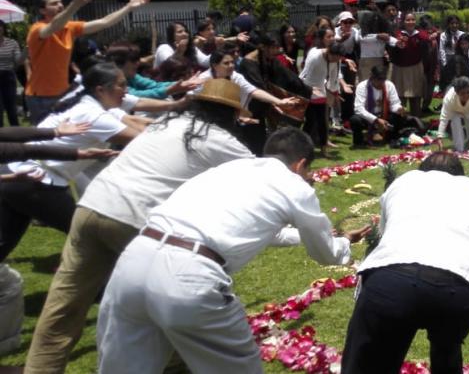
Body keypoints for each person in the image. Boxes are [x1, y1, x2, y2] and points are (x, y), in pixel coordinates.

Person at [24, 79, 254, 374]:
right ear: (233, 114)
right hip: (135, 221)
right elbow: (260, 176)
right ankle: (177, 365)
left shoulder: (165, 124)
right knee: (160, 302)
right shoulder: (220, 140)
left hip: (91, 207)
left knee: (63, 306)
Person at [95, 128, 369, 374]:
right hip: (188, 276)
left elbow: (260, 229)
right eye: (309, 171)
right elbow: (325, 254)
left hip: (134, 259)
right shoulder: (294, 184)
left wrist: (304, 237)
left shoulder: (228, 169)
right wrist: (344, 241)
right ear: (300, 165)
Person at [342, 152, 469, 374]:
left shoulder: (404, 181)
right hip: (459, 289)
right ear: (460, 175)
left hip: (391, 280)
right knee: (447, 347)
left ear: (422, 170)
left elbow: (384, 234)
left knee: (368, 364)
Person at [3, 63, 141, 261]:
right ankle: (85, 282)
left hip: (19, 176)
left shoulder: (82, 102)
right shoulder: (95, 115)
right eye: (122, 85)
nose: (126, 91)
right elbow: (142, 139)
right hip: (37, 182)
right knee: (88, 236)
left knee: (5, 240)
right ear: (101, 90)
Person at [26, 0, 150, 123]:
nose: (60, 5)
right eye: (54, 3)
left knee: (67, 134)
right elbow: (53, 27)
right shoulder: (37, 29)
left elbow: (104, 22)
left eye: (61, 2)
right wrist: (75, 6)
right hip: (41, 97)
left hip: (64, 92)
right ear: (42, 10)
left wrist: (128, 7)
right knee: (45, 138)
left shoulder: (69, 27)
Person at [239, 32, 312, 154]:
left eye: (277, 47)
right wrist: (275, 103)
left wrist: (306, 88)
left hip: (264, 103)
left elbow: (287, 75)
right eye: (273, 48)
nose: (276, 51)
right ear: (263, 47)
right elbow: (258, 87)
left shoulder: (269, 59)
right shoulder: (248, 63)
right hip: (249, 106)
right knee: (254, 141)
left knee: (262, 139)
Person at [196, 50, 295, 117]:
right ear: (214, 65)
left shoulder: (235, 77)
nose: (231, 66)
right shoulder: (203, 79)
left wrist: (279, 102)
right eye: (226, 63)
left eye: (232, 62)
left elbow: (253, 91)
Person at [351, 65, 414, 147]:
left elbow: (394, 103)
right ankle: (359, 142)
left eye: (383, 79)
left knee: (398, 116)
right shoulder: (362, 86)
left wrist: (399, 109)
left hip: (384, 114)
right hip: (368, 116)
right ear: (372, 77)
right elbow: (359, 108)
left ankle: (391, 138)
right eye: (378, 79)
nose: (381, 82)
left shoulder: (389, 85)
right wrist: (376, 120)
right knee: (355, 120)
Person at [299, 41, 343, 155]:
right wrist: (309, 91)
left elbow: (334, 78)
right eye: (334, 58)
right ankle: (302, 147)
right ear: (329, 52)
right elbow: (304, 76)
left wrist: (335, 94)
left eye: (338, 59)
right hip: (308, 90)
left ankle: (323, 148)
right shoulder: (315, 57)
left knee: (323, 122)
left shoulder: (335, 60)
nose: (335, 61)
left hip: (321, 92)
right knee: (309, 121)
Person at [391, 13, 429, 117]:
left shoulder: (422, 36)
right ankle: (399, 121)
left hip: (416, 68)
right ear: (403, 21)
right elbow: (392, 50)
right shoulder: (397, 35)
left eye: (413, 19)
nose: (410, 22)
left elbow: (427, 51)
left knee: (416, 96)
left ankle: (416, 120)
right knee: (399, 97)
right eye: (408, 20)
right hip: (399, 69)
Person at [438, 77, 469, 152]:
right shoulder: (449, 98)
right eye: (462, 93)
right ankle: (459, 148)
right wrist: (440, 137)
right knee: (456, 121)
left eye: (468, 92)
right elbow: (444, 118)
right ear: (456, 92)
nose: (466, 95)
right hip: (455, 111)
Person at [0, 20, 21, 126]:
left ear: (3, 29)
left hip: (8, 76)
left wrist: (24, 55)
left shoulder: (12, 43)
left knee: (11, 107)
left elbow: (18, 60)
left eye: (0, 26)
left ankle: (16, 133)